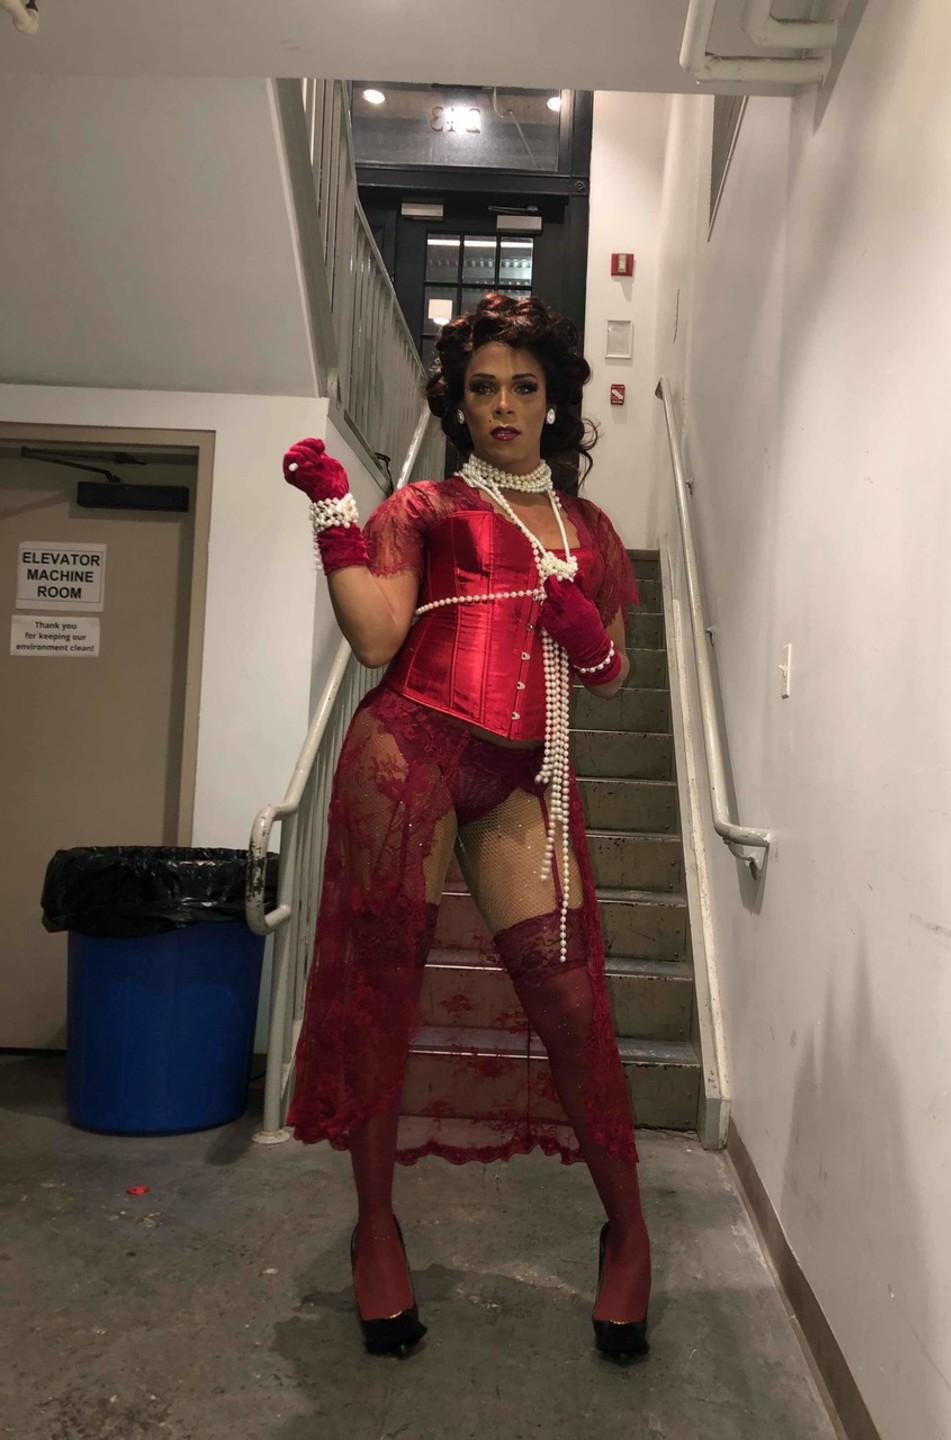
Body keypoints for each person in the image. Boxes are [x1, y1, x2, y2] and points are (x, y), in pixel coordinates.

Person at [281, 292, 651, 1361]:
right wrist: (334, 515)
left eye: (523, 387)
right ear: (460, 402)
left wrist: (585, 635)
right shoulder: (426, 507)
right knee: (382, 992)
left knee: (570, 1003)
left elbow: (613, 675)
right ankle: (376, 1229)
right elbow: (374, 638)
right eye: (483, 387)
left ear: (553, 400)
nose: (503, 404)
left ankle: (628, 1232)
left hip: (523, 773)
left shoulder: (591, 530)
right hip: (409, 751)